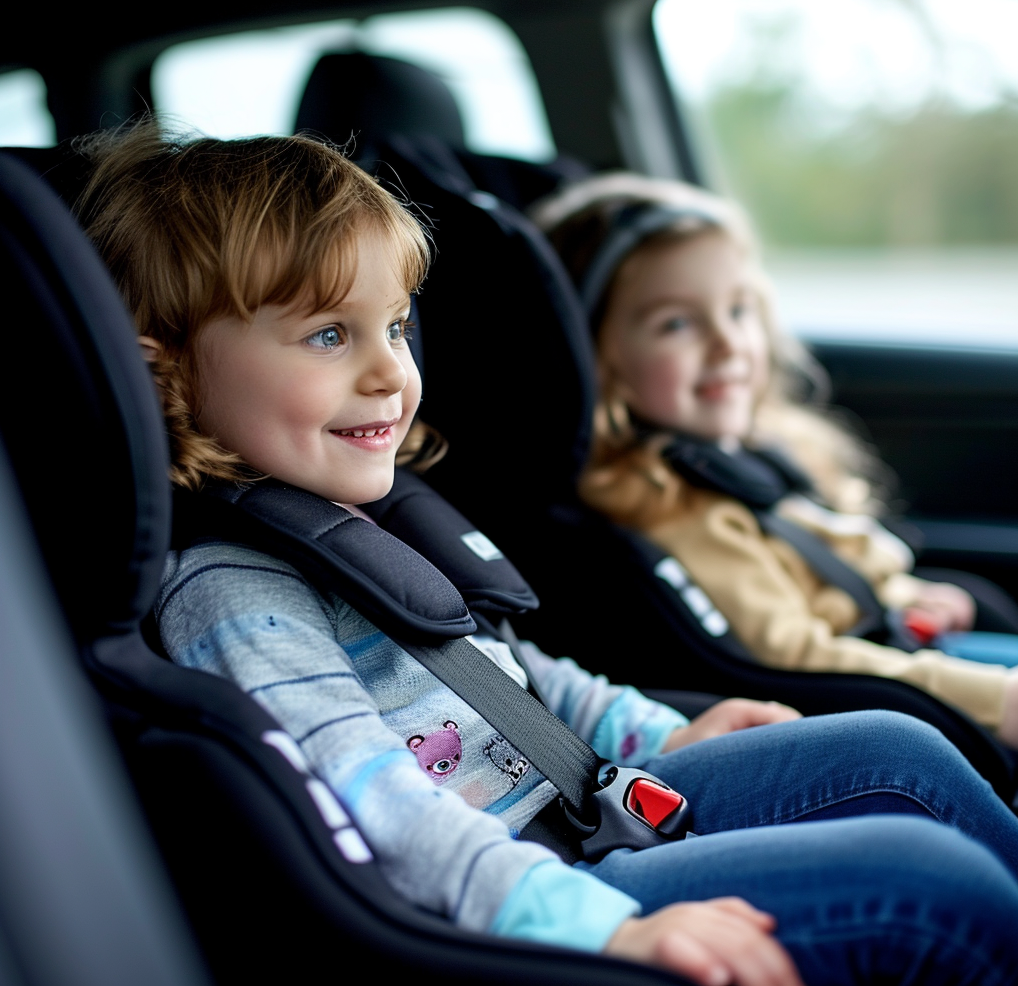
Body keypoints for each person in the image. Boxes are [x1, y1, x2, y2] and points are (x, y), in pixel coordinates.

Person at [76, 124, 1018, 986]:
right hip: (516, 897)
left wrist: (657, 736)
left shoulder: (347, 521)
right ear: (162, 373)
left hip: (570, 809)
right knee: (919, 883)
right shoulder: (232, 595)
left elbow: (513, 679)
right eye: (329, 335)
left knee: (896, 751)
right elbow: (370, 805)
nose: (388, 373)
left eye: (395, 328)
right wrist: (595, 927)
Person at [532, 172, 1018, 743]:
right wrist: (995, 699)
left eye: (739, 311)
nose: (727, 343)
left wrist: (906, 596)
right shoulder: (676, 508)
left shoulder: (741, 459)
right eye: (677, 324)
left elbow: (826, 565)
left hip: (899, 648)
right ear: (596, 362)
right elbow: (796, 656)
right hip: (885, 693)